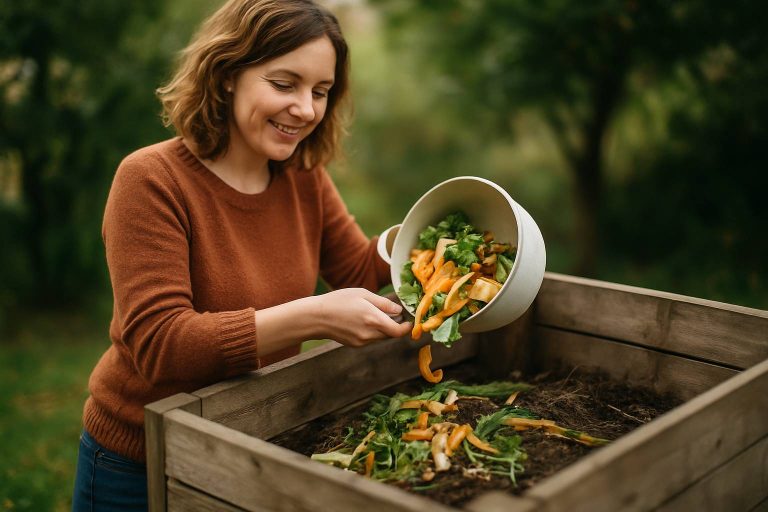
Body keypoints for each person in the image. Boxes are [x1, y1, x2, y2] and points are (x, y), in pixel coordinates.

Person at [71, 0, 412, 509]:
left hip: (252, 439)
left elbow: (358, 269)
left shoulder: (303, 177)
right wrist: (313, 316)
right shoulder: (151, 179)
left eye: (320, 92)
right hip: (136, 462)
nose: (305, 109)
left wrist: (424, 231)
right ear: (228, 74)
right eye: (284, 84)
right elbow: (161, 343)